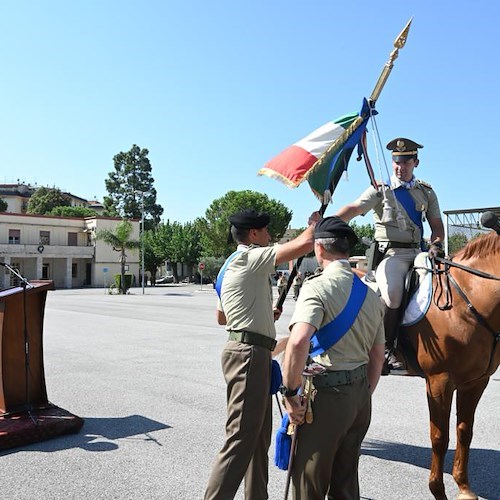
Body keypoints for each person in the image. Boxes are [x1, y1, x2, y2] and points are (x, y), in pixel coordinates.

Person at [204, 207, 320, 500]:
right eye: (266, 231)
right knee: (241, 438)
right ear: (254, 234)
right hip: (249, 355)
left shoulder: (229, 265)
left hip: (249, 351)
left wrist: (263, 314)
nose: (270, 236)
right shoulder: (249, 256)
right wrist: (314, 224)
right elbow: (305, 244)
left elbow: (222, 317)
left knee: (257, 440)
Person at [281, 216, 385, 500]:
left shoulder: (316, 287)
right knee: (346, 481)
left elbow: (299, 340)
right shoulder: (371, 295)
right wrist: (363, 392)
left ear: (319, 249)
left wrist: (290, 394)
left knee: (309, 483)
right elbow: (378, 355)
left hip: (325, 397)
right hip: (359, 396)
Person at [335, 137, 445, 370]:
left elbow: (437, 228)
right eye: (396, 162)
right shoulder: (381, 190)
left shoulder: (426, 191)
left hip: (418, 252)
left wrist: (436, 244)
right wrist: (328, 223)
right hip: (391, 254)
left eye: (406, 162)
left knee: (439, 286)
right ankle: (386, 348)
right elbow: (354, 208)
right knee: (394, 294)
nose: (400, 166)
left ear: (416, 162)